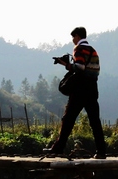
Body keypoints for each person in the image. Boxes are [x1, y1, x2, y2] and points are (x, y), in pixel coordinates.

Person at [44, 27, 107, 159]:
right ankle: (101, 151)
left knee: (68, 120)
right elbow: (95, 70)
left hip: (80, 89)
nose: (73, 40)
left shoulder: (79, 49)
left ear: (77, 36)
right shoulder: (93, 51)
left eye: (73, 37)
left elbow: (80, 67)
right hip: (92, 88)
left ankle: (58, 149)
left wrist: (66, 65)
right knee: (95, 121)